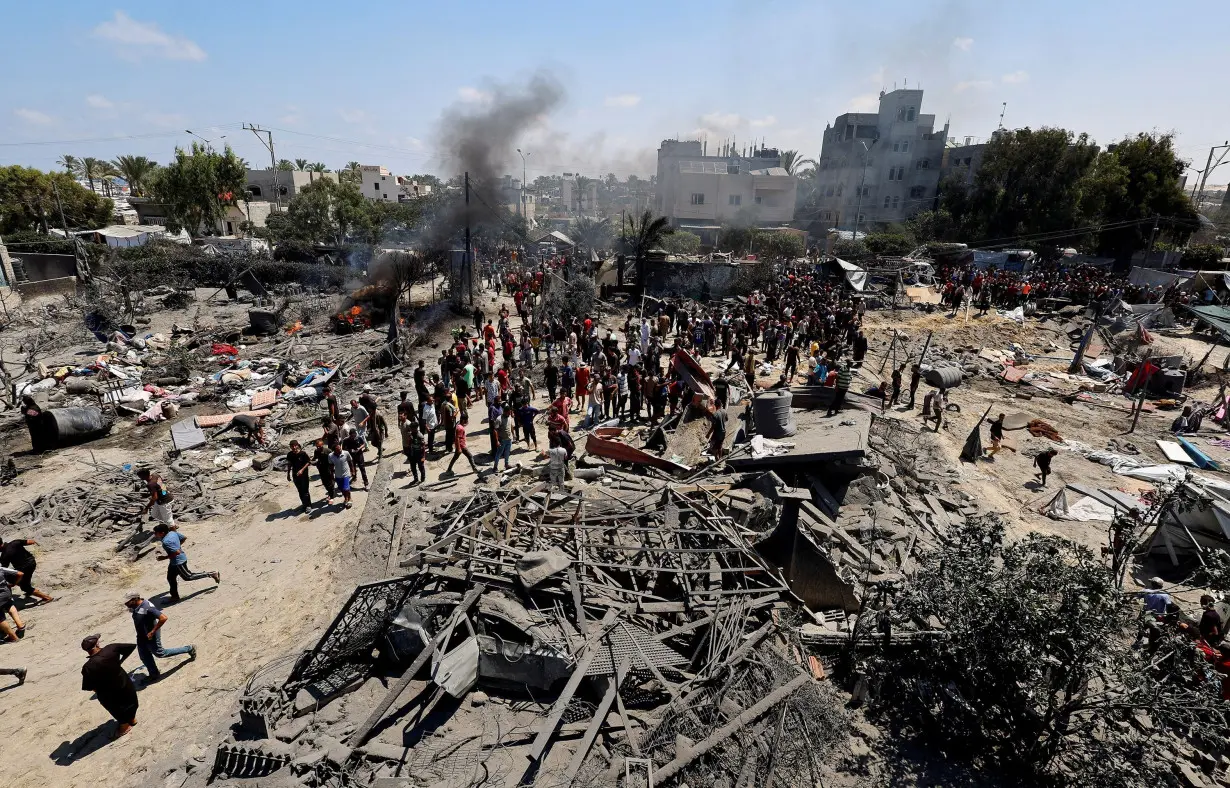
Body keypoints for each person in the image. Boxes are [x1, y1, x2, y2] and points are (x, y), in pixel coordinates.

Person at [125, 591, 195, 682]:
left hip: (150, 635)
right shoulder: (135, 606)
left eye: (128, 601)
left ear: (135, 599)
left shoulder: (147, 607)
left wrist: (152, 632)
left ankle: (189, 648)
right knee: (144, 655)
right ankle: (154, 674)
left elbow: (163, 618)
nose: (126, 603)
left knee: (160, 653)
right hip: (141, 635)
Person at [81, 634, 139, 739]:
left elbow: (90, 687)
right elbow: (131, 647)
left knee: (117, 708)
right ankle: (132, 719)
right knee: (130, 700)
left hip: (108, 693)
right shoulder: (112, 648)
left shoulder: (88, 667)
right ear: (97, 643)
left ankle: (125, 726)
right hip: (124, 682)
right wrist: (120, 662)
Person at [154, 523, 219, 603]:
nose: (154, 535)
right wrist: (177, 545)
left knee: (188, 577)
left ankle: (211, 574)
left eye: (156, 533)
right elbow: (184, 538)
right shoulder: (172, 533)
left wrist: (164, 557)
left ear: (162, 533)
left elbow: (177, 552)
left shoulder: (166, 542)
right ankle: (174, 596)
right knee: (170, 578)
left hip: (178, 562)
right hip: (176, 561)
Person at [0, 536, 53, 604]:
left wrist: (13, 583)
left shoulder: (5, 555)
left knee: (23, 586)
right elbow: (30, 541)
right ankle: (28, 589)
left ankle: (47, 598)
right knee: (23, 579)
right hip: (32, 562)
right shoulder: (15, 542)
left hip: (25, 568)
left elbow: (4, 569)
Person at [0, 566, 27, 641]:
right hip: (6, 593)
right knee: (9, 605)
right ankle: (21, 626)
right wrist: (14, 583)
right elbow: (20, 574)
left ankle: (13, 637)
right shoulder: (1, 568)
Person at [285, 440, 313, 510]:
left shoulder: (303, 454)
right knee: (300, 491)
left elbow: (308, 462)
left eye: (295, 445)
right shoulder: (290, 455)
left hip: (304, 475)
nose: (294, 447)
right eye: (292, 446)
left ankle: (308, 505)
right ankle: (304, 504)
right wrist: (288, 474)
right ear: (290, 447)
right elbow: (289, 464)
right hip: (295, 475)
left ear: (297, 445)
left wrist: (302, 470)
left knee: (305, 490)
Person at [329, 442, 356, 509]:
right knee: (342, 489)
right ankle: (346, 498)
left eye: (340, 449)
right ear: (334, 451)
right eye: (338, 450)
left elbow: (350, 462)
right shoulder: (330, 456)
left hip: (346, 474)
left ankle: (349, 499)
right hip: (338, 475)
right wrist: (332, 476)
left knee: (346, 488)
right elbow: (331, 466)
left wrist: (352, 471)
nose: (340, 450)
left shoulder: (346, 453)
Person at [404, 417, 427, 485]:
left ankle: (422, 479)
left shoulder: (420, 436)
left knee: (421, 467)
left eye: (411, 428)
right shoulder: (411, 434)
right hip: (412, 453)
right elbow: (409, 443)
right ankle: (415, 479)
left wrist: (423, 456)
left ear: (415, 428)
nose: (410, 429)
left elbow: (423, 447)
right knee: (413, 467)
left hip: (419, 454)